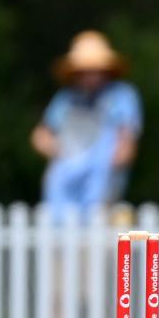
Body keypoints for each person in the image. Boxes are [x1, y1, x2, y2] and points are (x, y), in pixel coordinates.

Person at [31, 30, 142, 221]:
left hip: (103, 185)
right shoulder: (66, 99)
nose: (90, 76)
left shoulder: (122, 96)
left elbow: (126, 141)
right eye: (85, 71)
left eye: (95, 70)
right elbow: (42, 135)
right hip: (65, 184)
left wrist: (107, 162)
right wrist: (65, 156)